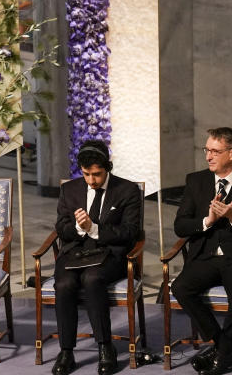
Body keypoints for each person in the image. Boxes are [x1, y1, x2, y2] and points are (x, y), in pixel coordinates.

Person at [170, 127, 232, 375]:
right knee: (181, 288)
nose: (208, 156)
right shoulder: (195, 181)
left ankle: (222, 350)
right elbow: (180, 226)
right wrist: (207, 221)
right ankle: (226, 349)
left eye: (215, 151)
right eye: (207, 150)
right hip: (205, 256)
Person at [52, 140, 142, 375]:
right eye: (86, 175)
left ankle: (105, 347)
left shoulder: (127, 191)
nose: (91, 180)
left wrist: (94, 228)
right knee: (64, 284)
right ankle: (66, 351)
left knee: (92, 279)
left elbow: (131, 232)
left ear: (108, 168)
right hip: (74, 253)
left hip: (110, 254)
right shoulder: (69, 189)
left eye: (97, 174)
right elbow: (61, 228)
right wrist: (80, 229)